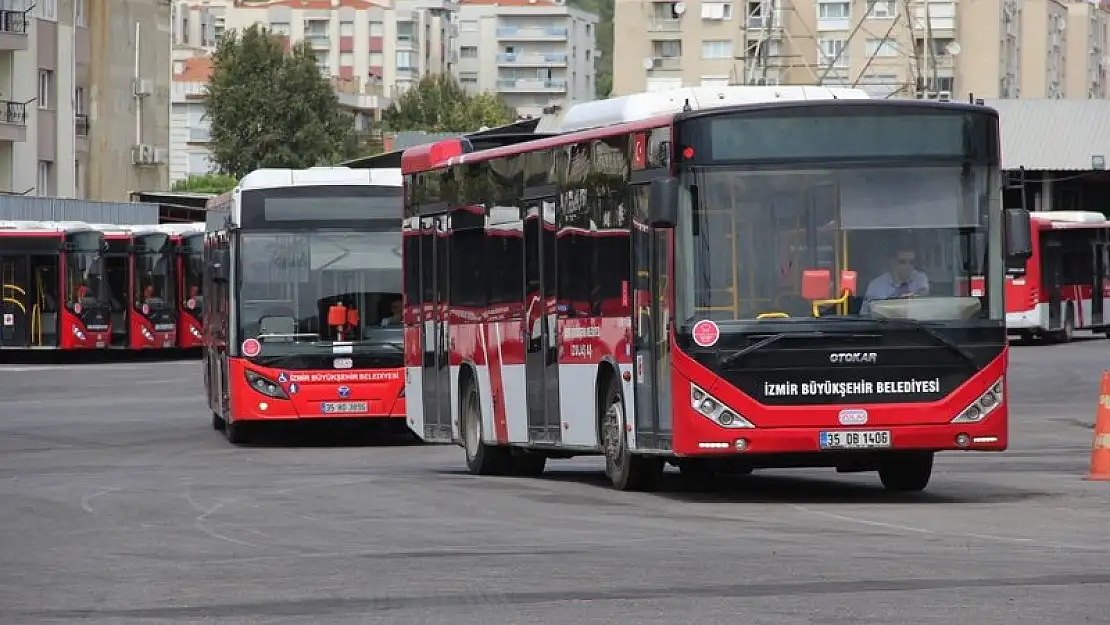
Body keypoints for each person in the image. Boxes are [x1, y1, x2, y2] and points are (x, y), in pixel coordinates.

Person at [861, 245, 929, 314]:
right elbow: (867, 314)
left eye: (911, 262)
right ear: (892, 262)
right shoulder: (876, 286)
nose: (908, 266)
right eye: (902, 262)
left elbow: (924, 299)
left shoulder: (920, 279)